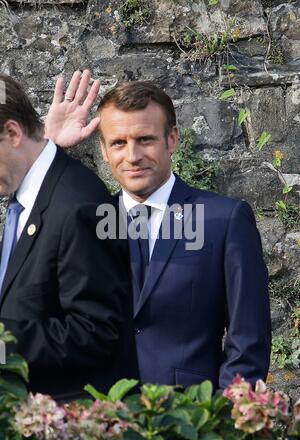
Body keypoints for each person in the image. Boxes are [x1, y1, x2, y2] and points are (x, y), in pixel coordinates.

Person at [45, 71, 271, 391]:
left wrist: (220, 423)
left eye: (145, 139)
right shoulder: (84, 226)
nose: (133, 156)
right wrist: (50, 153)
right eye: (119, 143)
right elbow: (31, 293)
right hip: (100, 424)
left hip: (192, 423)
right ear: (105, 151)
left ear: (172, 139)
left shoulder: (224, 220)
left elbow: (248, 342)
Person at [0, 73, 138, 401]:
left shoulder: (80, 205)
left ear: (12, 133)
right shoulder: (25, 195)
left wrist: (3, 346)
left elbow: (96, 332)